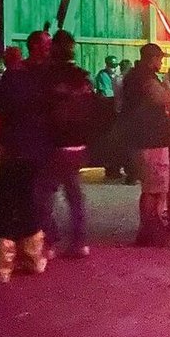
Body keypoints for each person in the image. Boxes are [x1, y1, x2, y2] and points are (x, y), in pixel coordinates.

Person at [0, 31, 52, 283]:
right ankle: (33, 258)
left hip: (12, 150)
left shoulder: (10, 81)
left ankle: (2, 265)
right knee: (27, 202)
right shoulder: (40, 80)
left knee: (4, 203)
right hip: (34, 150)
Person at [37, 30, 97, 259]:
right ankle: (79, 242)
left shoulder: (47, 77)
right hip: (78, 143)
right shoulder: (82, 77)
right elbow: (92, 109)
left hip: (55, 142)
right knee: (74, 193)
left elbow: (42, 110)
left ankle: (50, 241)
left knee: (43, 193)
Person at [122, 43, 170, 246]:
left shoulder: (132, 76)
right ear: (152, 59)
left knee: (149, 187)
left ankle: (148, 230)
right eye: (159, 58)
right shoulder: (146, 79)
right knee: (154, 188)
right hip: (151, 140)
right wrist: (167, 83)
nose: (161, 62)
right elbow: (168, 102)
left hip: (139, 139)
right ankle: (150, 231)